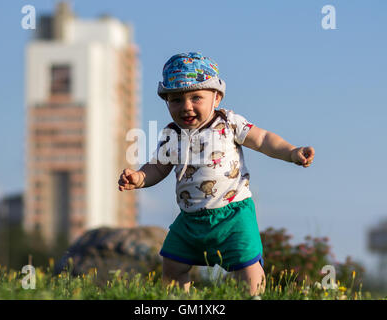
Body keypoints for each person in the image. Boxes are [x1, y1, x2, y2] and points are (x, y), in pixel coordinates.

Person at [118, 52, 315, 296]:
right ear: (167, 102)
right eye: (176, 100)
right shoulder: (171, 136)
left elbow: (263, 140)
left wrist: (292, 152)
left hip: (233, 214)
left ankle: (254, 296)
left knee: (248, 268)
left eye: (196, 98)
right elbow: (158, 167)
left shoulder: (229, 123)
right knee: (172, 265)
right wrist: (139, 178)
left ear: (217, 98)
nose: (186, 106)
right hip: (190, 219)